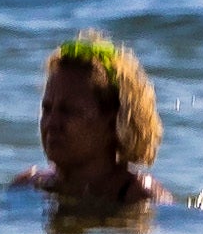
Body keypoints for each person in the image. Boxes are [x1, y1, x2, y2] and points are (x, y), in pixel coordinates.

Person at [15, 31, 166, 210]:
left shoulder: (139, 197)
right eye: (47, 109)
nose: (51, 123)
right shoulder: (28, 188)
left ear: (115, 121)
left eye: (68, 111)